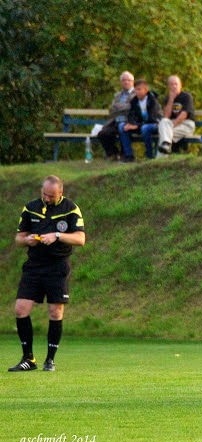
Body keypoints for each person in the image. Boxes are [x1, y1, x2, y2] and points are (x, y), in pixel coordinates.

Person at [9, 176, 86, 373]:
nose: (47, 198)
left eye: (51, 196)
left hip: (57, 266)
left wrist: (57, 236)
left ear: (61, 192)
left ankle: (50, 360)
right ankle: (28, 358)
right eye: (44, 194)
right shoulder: (30, 207)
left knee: (55, 311)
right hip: (34, 266)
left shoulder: (70, 208)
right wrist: (28, 240)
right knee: (21, 309)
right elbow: (18, 239)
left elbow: (80, 239)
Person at [119, 80, 163, 161]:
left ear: (146, 90)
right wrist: (130, 124)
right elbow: (131, 115)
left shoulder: (153, 101)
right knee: (122, 126)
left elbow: (153, 118)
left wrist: (137, 125)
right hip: (140, 125)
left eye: (139, 89)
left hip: (154, 125)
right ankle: (129, 156)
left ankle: (149, 156)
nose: (137, 92)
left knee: (145, 128)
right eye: (135, 90)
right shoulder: (134, 101)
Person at [97, 71, 135, 160]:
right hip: (115, 121)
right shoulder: (117, 95)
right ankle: (113, 154)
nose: (126, 82)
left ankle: (124, 154)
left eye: (128, 80)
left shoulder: (136, 94)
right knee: (103, 134)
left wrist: (119, 106)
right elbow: (112, 109)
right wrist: (124, 106)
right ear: (121, 82)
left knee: (123, 130)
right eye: (124, 80)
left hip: (129, 122)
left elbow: (131, 108)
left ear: (132, 82)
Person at [157, 75, 195, 157]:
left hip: (186, 125)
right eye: (171, 84)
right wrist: (171, 99)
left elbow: (184, 115)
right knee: (164, 125)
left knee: (164, 134)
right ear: (168, 86)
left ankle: (159, 162)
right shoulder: (167, 98)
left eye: (176, 84)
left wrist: (171, 125)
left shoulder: (186, 96)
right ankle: (166, 145)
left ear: (180, 85)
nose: (174, 86)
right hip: (171, 125)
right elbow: (166, 116)